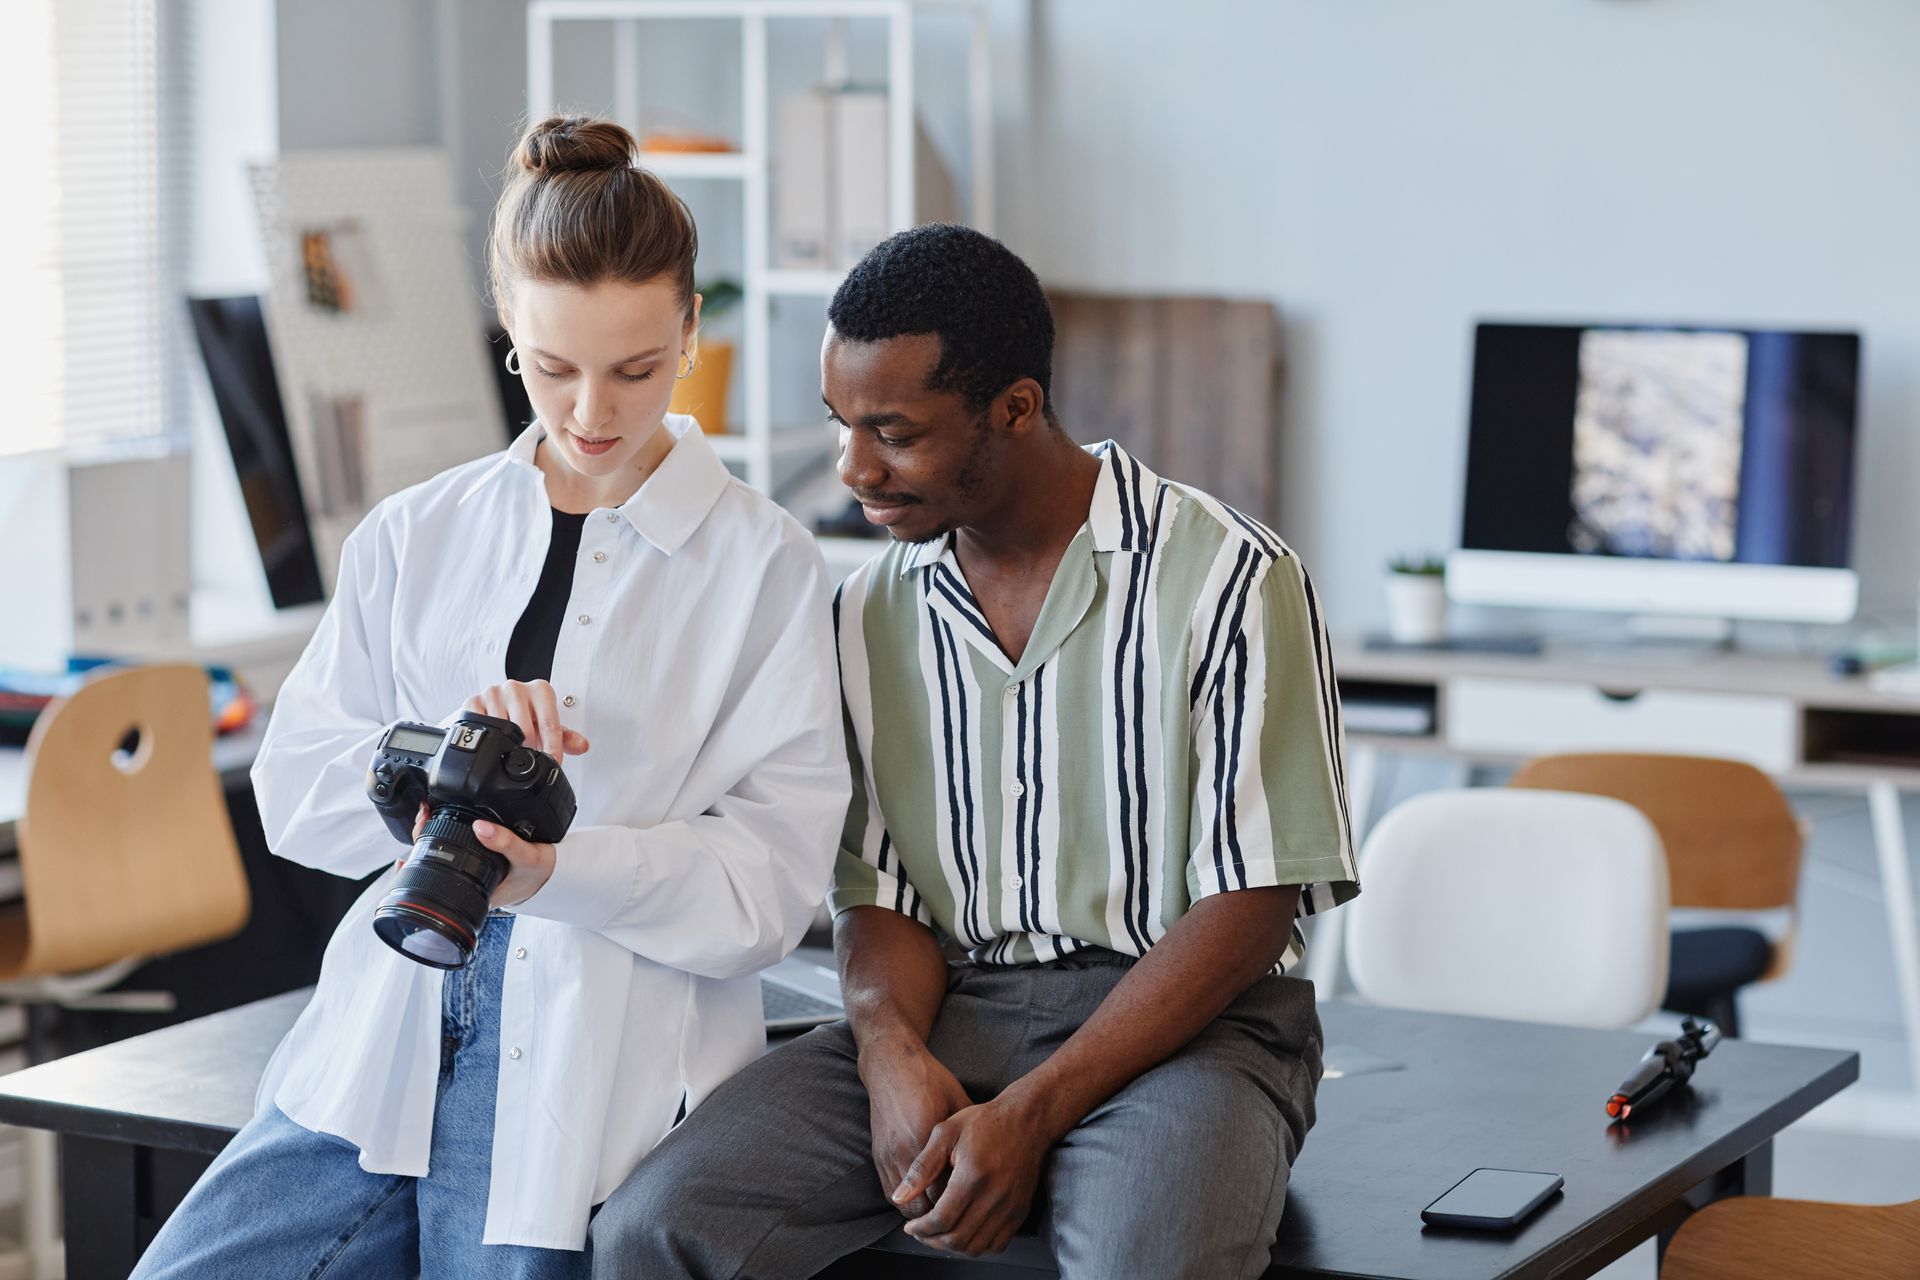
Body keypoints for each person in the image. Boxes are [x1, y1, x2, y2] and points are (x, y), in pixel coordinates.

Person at [130, 116, 848, 1279]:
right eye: (550, 367)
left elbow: (766, 890)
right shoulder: (419, 532)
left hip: (589, 1072)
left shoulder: (764, 566)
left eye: (637, 369)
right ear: (507, 332)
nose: (591, 414)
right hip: (376, 1040)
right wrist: (431, 757)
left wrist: (564, 866)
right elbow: (292, 786)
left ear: (689, 330)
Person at [590, 223, 1359, 1280]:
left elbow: (1250, 905)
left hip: (1197, 1028)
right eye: (842, 423)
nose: (854, 466)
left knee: (1150, 1264)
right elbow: (879, 890)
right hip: (957, 1009)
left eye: (895, 432)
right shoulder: (866, 611)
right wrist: (889, 1052)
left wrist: (1032, 1113)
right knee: (654, 1226)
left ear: (1015, 408)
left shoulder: (1234, 578)